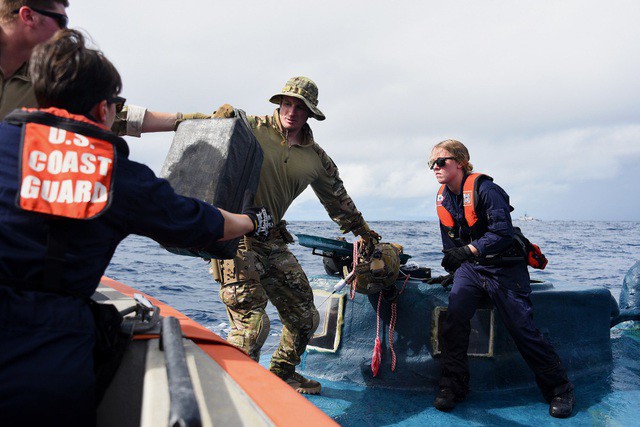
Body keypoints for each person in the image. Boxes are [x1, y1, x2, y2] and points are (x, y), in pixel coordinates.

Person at [0, 29, 271, 426]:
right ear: (102, 109)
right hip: (49, 356)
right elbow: (203, 224)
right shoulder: (119, 176)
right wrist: (253, 221)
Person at [209, 76, 380, 395]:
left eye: (300, 108)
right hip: (235, 236)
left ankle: (282, 373)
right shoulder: (250, 128)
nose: (291, 111)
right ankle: (234, 395)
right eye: (287, 103)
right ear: (279, 104)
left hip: (271, 238)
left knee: (305, 317)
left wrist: (365, 234)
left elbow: (339, 201)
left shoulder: (316, 158)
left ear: (310, 114)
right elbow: (203, 131)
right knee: (252, 326)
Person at [428, 139, 575, 418]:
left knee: (523, 330)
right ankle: (453, 386)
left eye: (441, 161)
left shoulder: (488, 191)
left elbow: (501, 234)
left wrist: (466, 251)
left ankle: (560, 389)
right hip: (472, 270)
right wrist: (454, 269)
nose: (434, 167)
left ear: (459, 162)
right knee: (454, 322)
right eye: (430, 163)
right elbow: (451, 246)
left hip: (504, 270)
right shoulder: (444, 199)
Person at [0, 0, 189, 134]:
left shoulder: (49, 76)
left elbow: (99, 111)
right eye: (61, 21)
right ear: (28, 16)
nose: (65, 32)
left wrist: (185, 121)